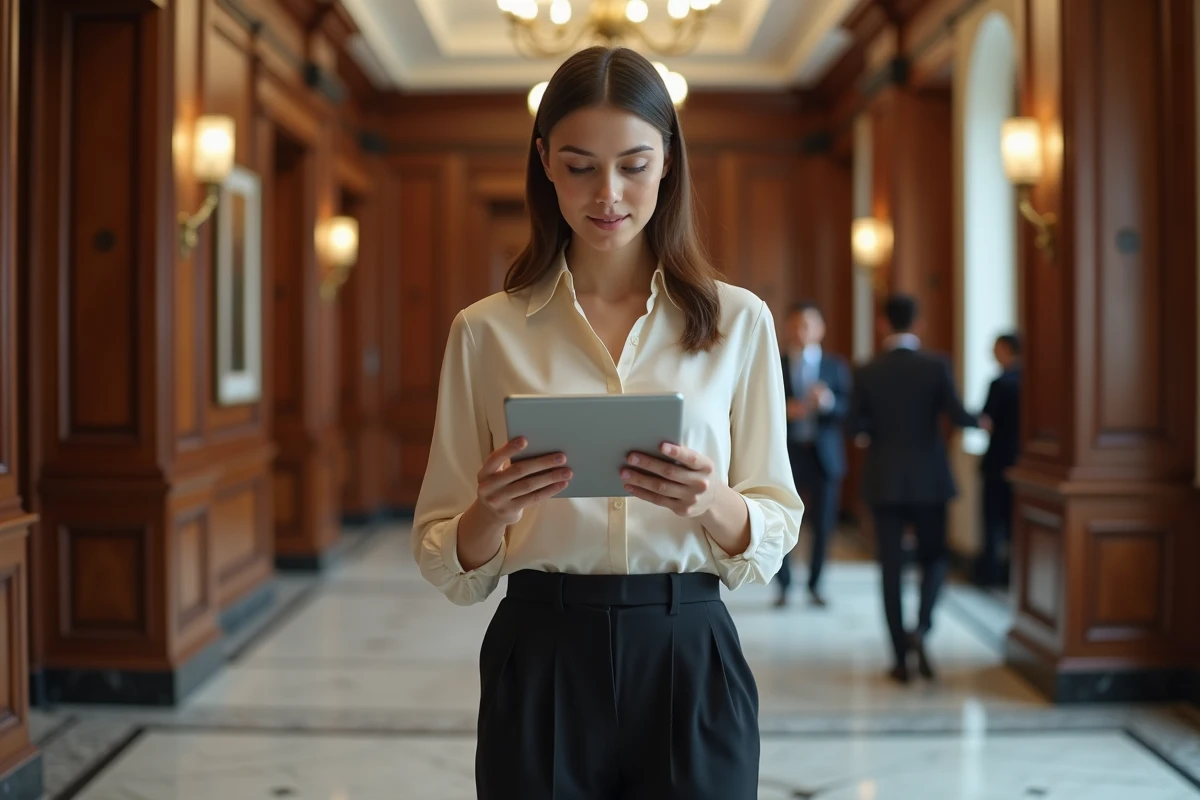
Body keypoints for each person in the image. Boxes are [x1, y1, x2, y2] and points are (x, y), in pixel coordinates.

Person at [412, 46, 803, 799]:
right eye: (580, 164)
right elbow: (446, 556)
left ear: (668, 163)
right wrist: (490, 512)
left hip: (689, 647)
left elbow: (774, 528)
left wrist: (710, 501)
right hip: (542, 648)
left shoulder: (739, 322)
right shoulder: (485, 332)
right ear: (545, 164)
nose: (608, 193)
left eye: (633, 163)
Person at [849, 294, 983, 684]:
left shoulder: (868, 370)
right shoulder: (936, 366)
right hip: (930, 481)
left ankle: (898, 658)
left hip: (885, 480)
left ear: (882, 324)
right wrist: (984, 420)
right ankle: (921, 628)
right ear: (919, 325)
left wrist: (872, 431)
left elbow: (854, 427)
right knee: (935, 558)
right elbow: (959, 416)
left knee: (891, 569)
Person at [774, 301, 850, 608]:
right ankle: (783, 585)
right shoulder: (774, 363)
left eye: (808, 324)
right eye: (796, 324)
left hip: (824, 456)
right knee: (780, 521)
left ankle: (816, 583)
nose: (801, 330)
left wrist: (828, 402)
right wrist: (783, 411)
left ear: (820, 329)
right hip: (787, 455)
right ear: (788, 327)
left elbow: (849, 409)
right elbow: (756, 408)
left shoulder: (835, 366)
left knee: (823, 524)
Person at [975, 332, 1021, 587]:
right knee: (1014, 522)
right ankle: (1013, 575)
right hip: (1021, 461)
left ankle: (990, 575)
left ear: (1005, 349)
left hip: (997, 460)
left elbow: (987, 421)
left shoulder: (1001, 383)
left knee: (992, 522)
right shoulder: (1029, 381)